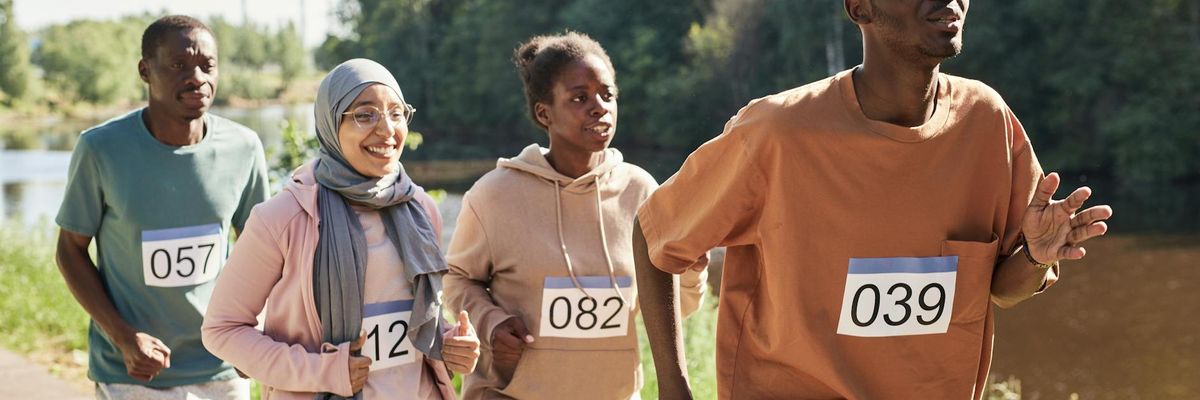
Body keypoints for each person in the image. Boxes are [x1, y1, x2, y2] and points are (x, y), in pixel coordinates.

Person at [634, 1, 1115, 399]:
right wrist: (673, 387)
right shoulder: (777, 134)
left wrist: (1033, 255)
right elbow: (653, 234)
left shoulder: (986, 122)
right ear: (859, 8)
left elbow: (1003, 290)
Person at [442, 32, 707, 399]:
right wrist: (492, 322)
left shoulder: (642, 191)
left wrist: (691, 270)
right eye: (580, 97)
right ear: (543, 112)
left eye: (607, 94)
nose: (599, 106)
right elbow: (456, 280)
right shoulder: (494, 195)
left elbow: (675, 309)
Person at [201, 58, 479, 400]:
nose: (386, 129)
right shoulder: (283, 218)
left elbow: (416, 321)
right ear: (331, 124)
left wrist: (449, 342)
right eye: (364, 115)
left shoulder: (421, 210)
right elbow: (221, 330)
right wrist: (322, 372)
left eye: (396, 113)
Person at [54, 15, 268, 400]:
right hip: (132, 372)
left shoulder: (244, 147)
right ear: (144, 70)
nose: (197, 77)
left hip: (221, 367)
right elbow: (69, 251)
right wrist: (124, 338)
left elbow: (265, 254)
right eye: (178, 65)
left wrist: (253, 330)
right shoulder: (101, 149)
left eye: (207, 66)